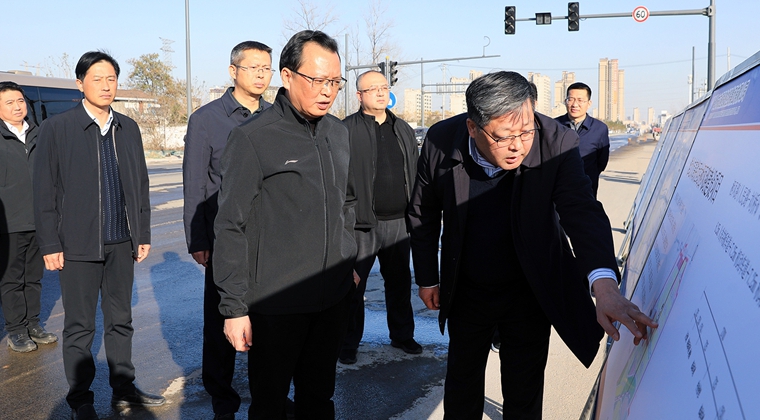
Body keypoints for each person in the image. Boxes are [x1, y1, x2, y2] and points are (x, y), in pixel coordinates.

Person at [407, 71, 657, 419]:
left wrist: (605, 286)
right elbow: (423, 211)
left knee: (523, 392)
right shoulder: (440, 140)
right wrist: (427, 278)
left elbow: (581, 210)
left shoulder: (556, 141)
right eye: (504, 136)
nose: (518, 146)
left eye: (526, 132)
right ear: (473, 128)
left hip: (530, 287)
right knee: (462, 385)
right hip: (467, 286)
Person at [213, 30, 359, 419]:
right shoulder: (253, 138)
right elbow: (229, 225)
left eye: (335, 82)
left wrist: (348, 259)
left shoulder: (338, 133)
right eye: (318, 80)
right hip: (275, 305)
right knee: (270, 405)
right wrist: (234, 308)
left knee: (319, 400)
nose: (327, 91)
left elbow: (347, 203)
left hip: (331, 300)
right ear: (288, 76)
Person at [34, 51, 165, 420]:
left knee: (121, 321)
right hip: (77, 246)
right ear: (80, 84)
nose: (106, 86)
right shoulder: (58, 128)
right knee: (80, 326)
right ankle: (81, 400)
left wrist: (142, 232)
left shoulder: (128, 127)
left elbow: (139, 185)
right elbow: (44, 190)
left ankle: (124, 390)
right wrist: (50, 243)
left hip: (121, 243)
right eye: (97, 78)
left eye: (112, 78)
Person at [182, 40, 273, 420]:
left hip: (269, 240)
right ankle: (223, 401)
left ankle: (268, 395)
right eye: (254, 67)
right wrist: (198, 239)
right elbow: (195, 183)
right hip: (225, 237)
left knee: (268, 322)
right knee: (222, 322)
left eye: (266, 68)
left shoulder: (276, 116)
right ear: (233, 71)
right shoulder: (206, 119)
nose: (261, 75)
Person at [339, 70, 420, 364]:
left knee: (399, 283)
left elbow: (415, 171)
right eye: (373, 88)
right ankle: (348, 343)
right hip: (360, 224)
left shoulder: (403, 129)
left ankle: (402, 335)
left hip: (399, 222)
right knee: (352, 286)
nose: (380, 92)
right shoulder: (345, 130)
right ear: (359, 96)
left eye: (384, 87)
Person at [0, 81, 58, 353]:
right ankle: (16, 330)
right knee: (11, 280)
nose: (17, 106)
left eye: (20, 101)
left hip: (39, 220)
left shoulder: (40, 133)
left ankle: (33, 324)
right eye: (9, 102)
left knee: (34, 278)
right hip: (8, 224)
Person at [555, 82, 610, 198]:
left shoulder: (599, 129)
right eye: (570, 99)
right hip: (557, 189)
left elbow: (601, 162)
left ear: (589, 103)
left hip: (587, 189)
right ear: (565, 101)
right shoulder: (554, 125)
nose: (575, 104)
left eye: (580, 100)